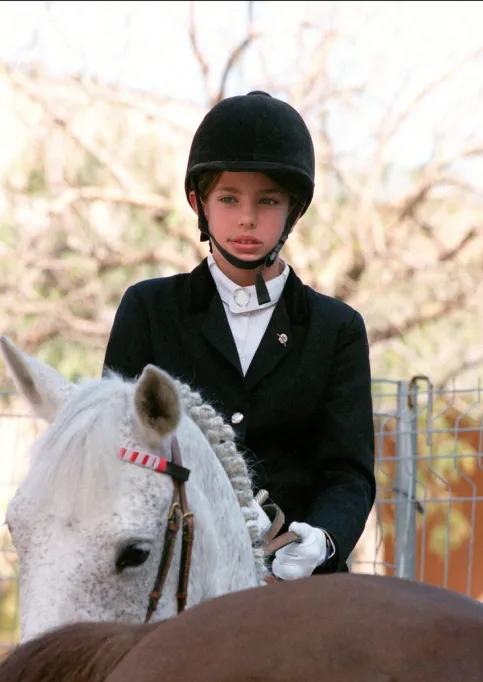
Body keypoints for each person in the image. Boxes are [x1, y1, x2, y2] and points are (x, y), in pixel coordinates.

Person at [103, 90, 376, 580]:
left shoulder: (337, 330)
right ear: (199, 203)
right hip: (177, 574)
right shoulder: (148, 310)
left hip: (294, 577)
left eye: (267, 201)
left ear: (294, 210)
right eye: (229, 198)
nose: (247, 218)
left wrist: (320, 540)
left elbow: (348, 474)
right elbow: (120, 446)